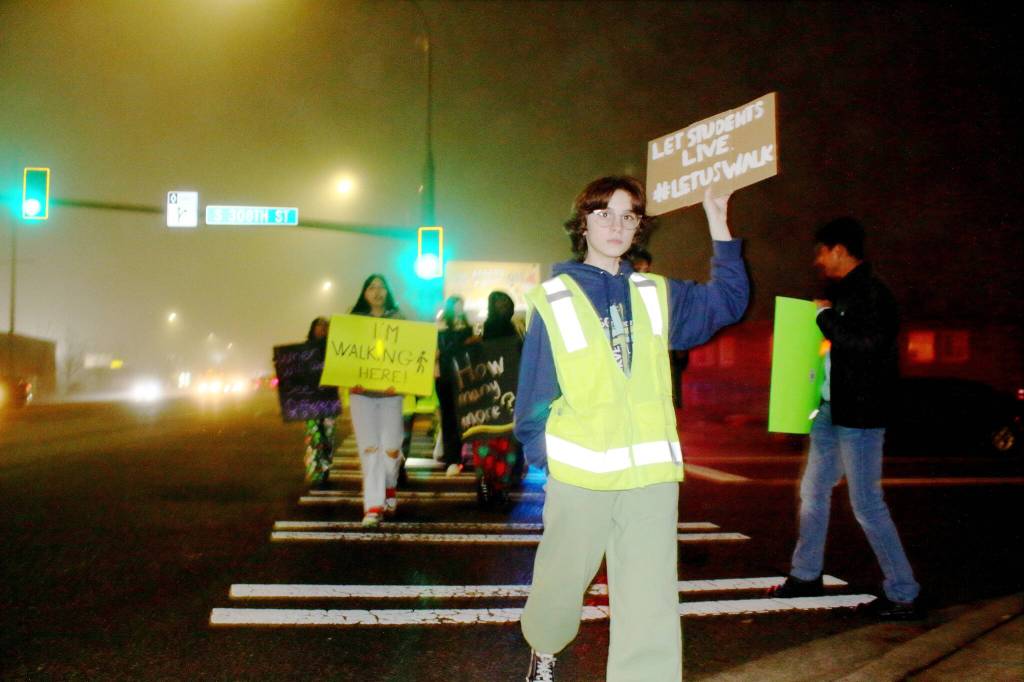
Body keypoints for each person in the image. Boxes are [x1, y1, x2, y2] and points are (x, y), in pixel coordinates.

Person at [515, 176, 749, 681]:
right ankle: (545, 645)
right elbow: (534, 392)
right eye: (605, 214)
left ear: (639, 226)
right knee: (561, 579)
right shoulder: (554, 297)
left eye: (628, 216)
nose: (617, 225)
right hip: (580, 472)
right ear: (583, 225)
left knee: (650, 595)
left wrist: (717, 220)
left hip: (650, 475)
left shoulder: (655, 293)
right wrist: (545, 458)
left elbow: (729, 301)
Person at [768, 217, 921, 619]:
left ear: (838, 250)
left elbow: (867, 344)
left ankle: (904, 593)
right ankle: (806, 575)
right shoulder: (845, 294)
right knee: (813, 492)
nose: (817, 260)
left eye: (821, 251)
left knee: (867, 504)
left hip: (861, 416)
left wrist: (824, 319)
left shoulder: (873, 294)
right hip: (831, 411)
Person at [348, 274, 406, 527]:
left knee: (391, 448)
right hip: (362, 395)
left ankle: (389, 485)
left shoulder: (399, 320)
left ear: (388, 292)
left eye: (382, 287)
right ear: (364, 292)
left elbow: (411, 354)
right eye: (371, 287)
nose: (377, 291)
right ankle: (373, 505)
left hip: (391, 394)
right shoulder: (353, 321)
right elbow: (344, 355)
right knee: (369, 448)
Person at [630, 248, 690, 408]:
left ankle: (672, 404)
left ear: (648, 266)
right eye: (636, 265)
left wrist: (680, 349)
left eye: (642, 265)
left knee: (669, 377)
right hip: (639, 347)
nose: (639, 268)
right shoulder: (624, 288)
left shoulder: (659, 287)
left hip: (662, 346)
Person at [436, 295, 474, 476]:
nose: (460, 309)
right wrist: (463, 341)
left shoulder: (466, 325)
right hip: (445, 377)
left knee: (462, 418)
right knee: (449, 418)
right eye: (457, 306)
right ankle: (452, 458)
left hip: (464, 377)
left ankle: (456, 455)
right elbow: (443, 350)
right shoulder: (442, 326)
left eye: (462, 305)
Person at [302, 316, 339, 487]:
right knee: (314, 437)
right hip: (310, 402)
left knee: (328, 437)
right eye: (319, 326)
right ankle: (314, 472)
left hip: (329, 400)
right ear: (313, 328)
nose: (322, 329)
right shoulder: (304, 350)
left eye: (326, 326)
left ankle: (325, 470)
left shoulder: (336, 349)